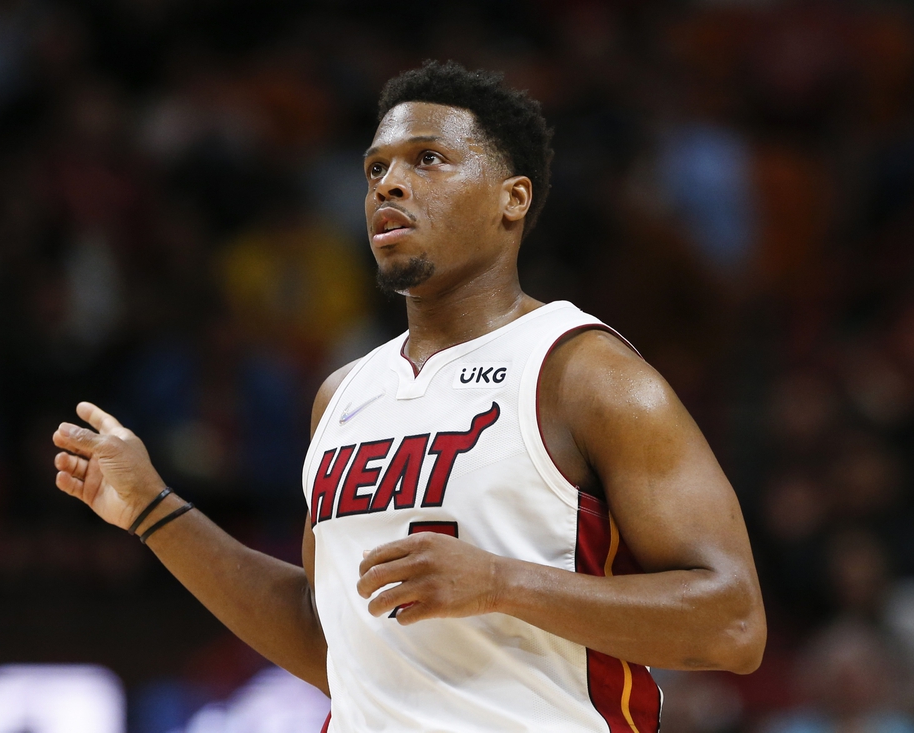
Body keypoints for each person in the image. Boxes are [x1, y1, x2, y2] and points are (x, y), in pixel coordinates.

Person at [52, 61, 766, 732]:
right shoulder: (342, 394)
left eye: (427, 159)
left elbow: (732, 624)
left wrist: (499, 582)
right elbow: (323, 637)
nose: (389, 184)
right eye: (376, 168)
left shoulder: (583, 372)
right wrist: (152, 507)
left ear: (512, 199)